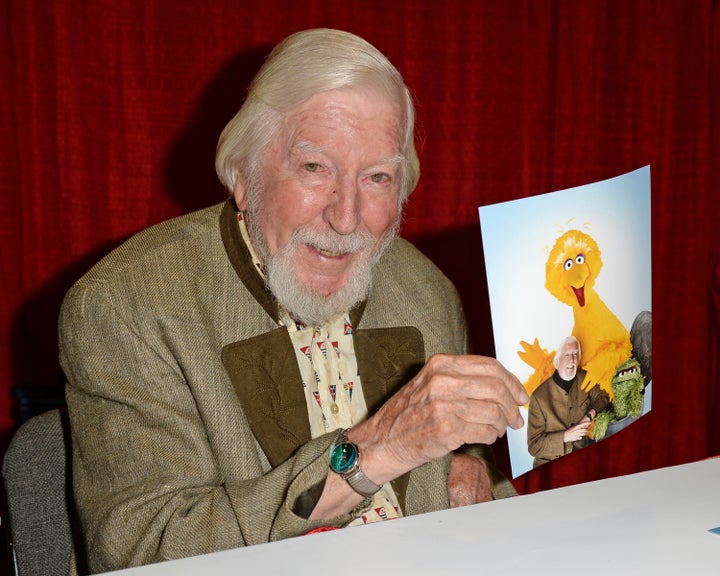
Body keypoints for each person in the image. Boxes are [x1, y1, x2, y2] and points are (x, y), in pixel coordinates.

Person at [59, 28, 528, 573]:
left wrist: (475, 472)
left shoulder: (426, 291)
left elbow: (463, 470)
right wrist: (374, 452)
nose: (346, 217)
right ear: (243, 173)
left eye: (377, 178)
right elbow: (144, 552)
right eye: (314, 168)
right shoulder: (127, 306)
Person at [526, 336, 609, 468]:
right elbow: (534, 446)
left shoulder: (584, 377)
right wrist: (565, 436)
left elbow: (603, 396)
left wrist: (590, 415)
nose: (572, 360)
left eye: (575, 354)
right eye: (567, 355)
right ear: (557, 362)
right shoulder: (538, 397)